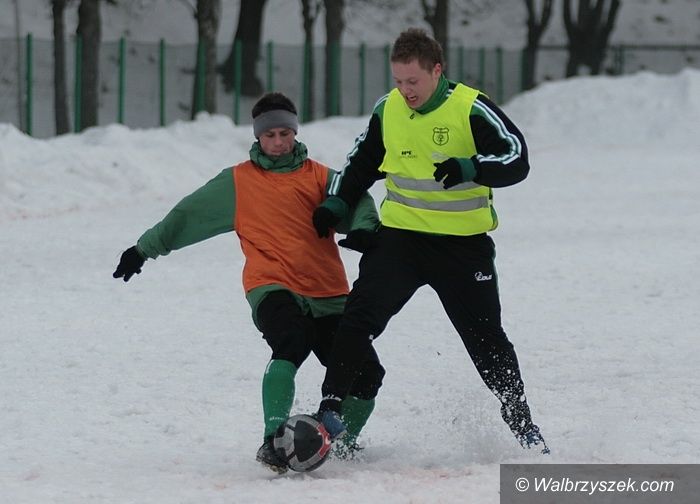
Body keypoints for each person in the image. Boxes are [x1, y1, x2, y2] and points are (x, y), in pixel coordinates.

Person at [112, 92, 386, 473]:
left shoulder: (322, 178)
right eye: (270, 135)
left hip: (327, 291)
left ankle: (339, 444)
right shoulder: (238, 183)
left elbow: (359, 201)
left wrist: (364, 229)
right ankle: (273, 440)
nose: (279, 142)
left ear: (295, 132)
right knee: (291, 341)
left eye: (285, 134)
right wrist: (143, 250)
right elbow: (187, 215)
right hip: (271, 285)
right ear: (258, 136)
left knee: (368, 374)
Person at [311, 28, 549, 454]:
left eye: (413, 81)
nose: (405, 90)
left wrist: (471, 167)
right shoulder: (388, 109)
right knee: (357, 319)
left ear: (437, 70)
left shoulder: (470, 107)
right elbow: (360, 164)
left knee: (486, 339)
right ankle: (329, 412)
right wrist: (336, 204)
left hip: (462, 248)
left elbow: (517, 158)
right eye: (398, 80)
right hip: (400, 241)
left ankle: (522, 422)